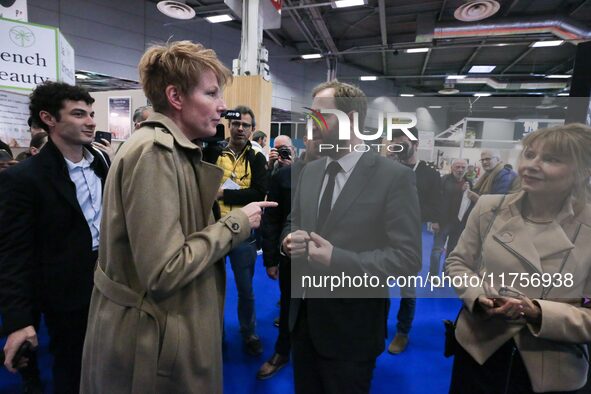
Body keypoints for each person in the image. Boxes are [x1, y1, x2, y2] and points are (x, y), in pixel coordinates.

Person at [80, 41, 275, 393]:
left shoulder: (171, 150)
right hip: (151, 346)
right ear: (176, 96)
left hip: (159, 334)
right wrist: (236, 224)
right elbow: (165, 270)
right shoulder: (155, 153)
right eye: (212, 93)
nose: (222, 106)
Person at [282, 80, 421, 394]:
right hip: (302, 321)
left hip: (353, 330)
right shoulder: (310, 171)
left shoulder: (394, 177)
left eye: (322, 115)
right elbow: (293, 221)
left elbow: (407, 260)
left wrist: (337, 259)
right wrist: (287, 240)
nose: (312, 123)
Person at [445, 123, 591, 393]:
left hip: (549, 367)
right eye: (529, 154)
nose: (532, 165)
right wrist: (478, 296)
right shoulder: (489, 208)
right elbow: (458, 263)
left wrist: (539, 313)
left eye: (551, 159)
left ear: (581, 172)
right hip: (479, 350)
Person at [0, 81, 110, 393]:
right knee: (73, 367)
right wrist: (19, 320)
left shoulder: (101, 162)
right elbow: (12, 254)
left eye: (90, 113)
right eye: (78, 114)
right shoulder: (23, 179)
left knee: (108, 359)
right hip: (65, 292)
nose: (90, 121)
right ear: (49, 119)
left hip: (109, 278)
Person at [206, 105, 269, 356]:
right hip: (215, 230)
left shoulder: (257, 158)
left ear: (252, 130)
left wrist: (223, 192)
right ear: (229, 126)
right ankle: (215, 335)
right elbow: (202, 184)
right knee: (213, 289)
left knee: (246, 289)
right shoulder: (214, 152)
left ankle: (248, 333)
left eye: (245, 125)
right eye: (236, 124)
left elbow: (258, 192)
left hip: (244, 232)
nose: (240, 128)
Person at [256, 135, 319, 380]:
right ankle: (282, 351)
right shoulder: (283, 176)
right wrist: (270, 259)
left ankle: (316, 355)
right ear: (306, 141)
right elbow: (271, 220)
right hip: (290, 256)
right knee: (288, 308)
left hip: (328, 261)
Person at [387, 127, 442, 354]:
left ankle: (403, 332)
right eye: (396, 143)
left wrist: (407, 210)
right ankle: (375, 323)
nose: (400, 148)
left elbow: (434, 206)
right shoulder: (387, 169)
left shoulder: (429, 174)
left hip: (410, 236)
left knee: (407, 287)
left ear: (416, 144)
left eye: (404, 144)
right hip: (381, 233)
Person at [429, 158, 472, 276]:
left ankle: (446, 273)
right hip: (443, 221)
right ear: (452, 168)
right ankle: (433, 276)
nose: (460, 169)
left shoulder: (469, 183)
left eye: (463, 167)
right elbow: (435, 200)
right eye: (457, 167)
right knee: (437, 251)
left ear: (466, 169)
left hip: (459, 223)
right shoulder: (443, 180)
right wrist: (434, 220)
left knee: (452, 251)